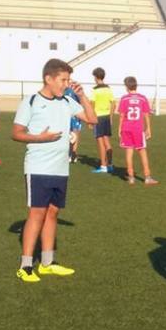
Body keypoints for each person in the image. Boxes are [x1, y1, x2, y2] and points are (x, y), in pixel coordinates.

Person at [11, 58, 96, 283]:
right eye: (63, 80)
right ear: (48, 79)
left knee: (53, 213)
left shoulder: (68, 101)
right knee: (36, 214)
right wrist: (40, 138)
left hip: (61, 169)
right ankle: (26, 265)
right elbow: (16, 133)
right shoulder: (30, 102)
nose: (66, 84)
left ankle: (48, 263)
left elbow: (92, 119)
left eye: (68, 80)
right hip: (38, 168)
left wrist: (83, 96)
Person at [117, 76, 157, 185]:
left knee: (129, 151)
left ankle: (131, 177)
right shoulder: (142, 98)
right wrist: (148, 128)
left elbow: (121, 115)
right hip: (138, 129)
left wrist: (119, 128)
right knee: (142, 151)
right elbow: (146, 115)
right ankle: (147, 177)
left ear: (126, 87)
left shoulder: (124, 99)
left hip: (126, 128)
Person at [91, 68, 115, 174]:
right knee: (107, 142)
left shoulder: (95, 90)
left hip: (98, 118)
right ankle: (110, 165)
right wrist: (110, 117)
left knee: (100, 143)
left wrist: (91, 120)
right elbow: (114, 103)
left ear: (96, 77)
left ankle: (103, 165)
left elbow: (92, 105)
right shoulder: (108, 89)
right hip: (106, 117)